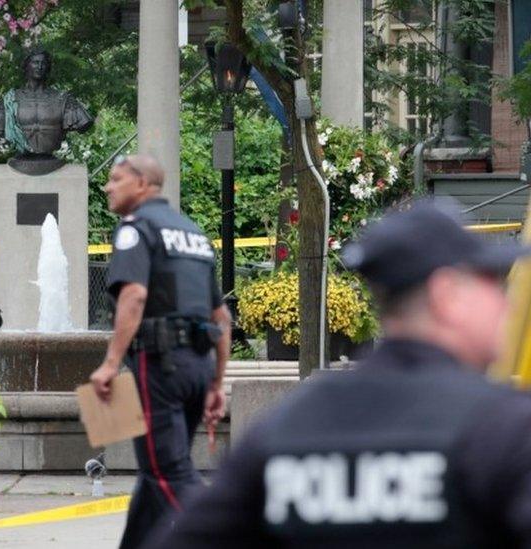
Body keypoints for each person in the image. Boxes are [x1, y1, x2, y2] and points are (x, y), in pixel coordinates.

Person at [146, 200, 531, 549]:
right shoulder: (504, 427)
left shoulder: (290, 425)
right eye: (492, 282)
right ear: (448, 295)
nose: (507, 302)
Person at [89, 154, 232, 549]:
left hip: (159, 366)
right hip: (196, 368)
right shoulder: (195, 235)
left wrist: (110, 364)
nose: (108, 187)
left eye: (116, 179)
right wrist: (216, 382)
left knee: (167, 473)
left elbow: (134, 296)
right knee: (156, 475)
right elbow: (222, 317)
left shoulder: (137, 228)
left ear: (142, 184)